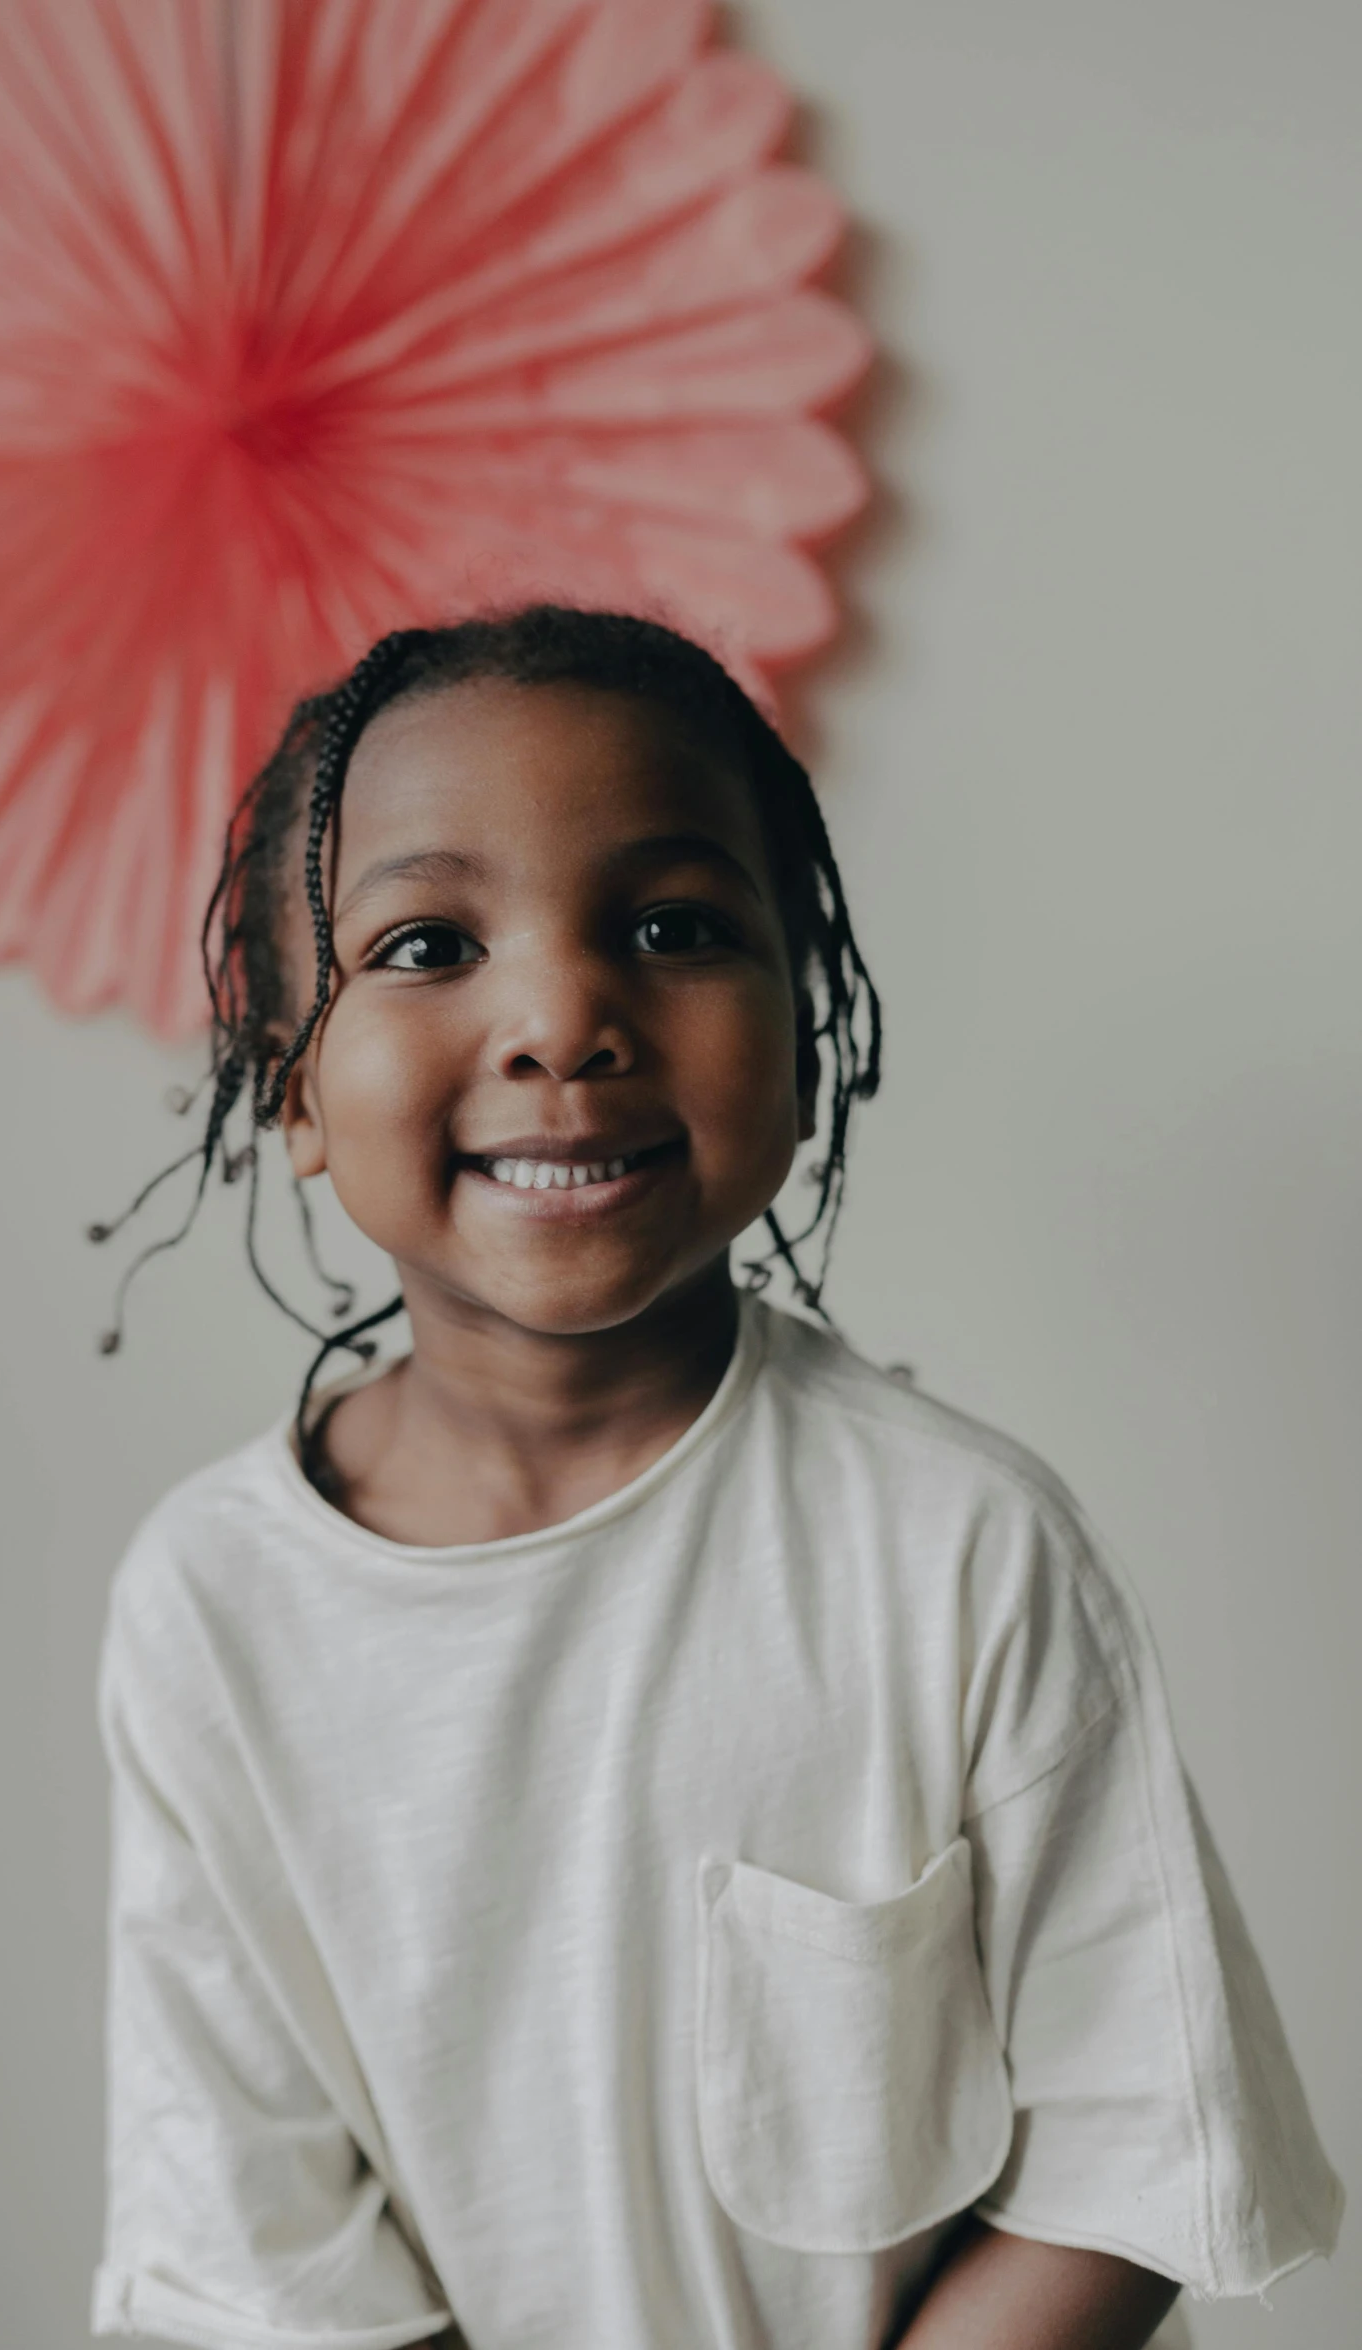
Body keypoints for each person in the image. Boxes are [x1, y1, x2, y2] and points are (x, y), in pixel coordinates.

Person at [89, 607, 1341, 2350]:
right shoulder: (213, 1606)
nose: (559, 1014)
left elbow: (1128, 2154)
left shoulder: (957, 1553)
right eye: (430, 940)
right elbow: (254, 2242)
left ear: (808, 1036)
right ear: (285, 1082)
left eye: (672, 926)